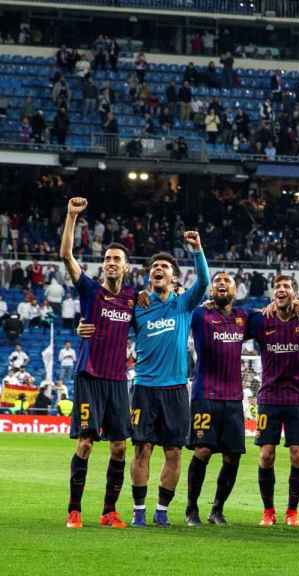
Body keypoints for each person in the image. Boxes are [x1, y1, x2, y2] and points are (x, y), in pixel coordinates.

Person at [77, 236, 210, 528]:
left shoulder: (184, 304)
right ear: (149, 275)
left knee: (173, 451)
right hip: (144, 388)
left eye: (164, 266)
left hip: (176, 388)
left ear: (174, 277)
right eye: (154, 267)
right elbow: (107, 322)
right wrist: (82, 326)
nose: (158, 269)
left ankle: (162, 511)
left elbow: (204, 281)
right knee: (141, 449)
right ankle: (138, 510)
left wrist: (197, 249)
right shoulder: (137, 305)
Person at [60, 197, 135, 530]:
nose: (111, 262)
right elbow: (66, 256)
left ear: (126, 266)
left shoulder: (134, 298)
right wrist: (72, 217)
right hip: (90, 375)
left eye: (117, 259)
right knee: (86, 442)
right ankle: (74, 510)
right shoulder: (90, 290)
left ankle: (109, 511)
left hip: (118, 380)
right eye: (107, 258)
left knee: (119, 447)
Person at [249, 275, 299, 528]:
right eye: (277, 287)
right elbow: (234, 324)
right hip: (269, 397)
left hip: (297, 397)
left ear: (295, 294)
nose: (281, 290)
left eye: (286, 287)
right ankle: (268, 510)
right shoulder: (261, 319)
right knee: (266, 455)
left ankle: (292, 511)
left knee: (298, 455)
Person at [183, 272, 255, 526]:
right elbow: (182, 305)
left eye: (227, 282)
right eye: (217, 282)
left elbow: (273, 319)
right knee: (203, 450)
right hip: (205, 395)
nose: (222, 284)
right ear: (211, 290)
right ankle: (191, 508)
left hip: (233, 399)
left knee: (232, 456)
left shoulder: (244, 317)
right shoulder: (200, 315)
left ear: (236, 291)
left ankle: (217, 509)